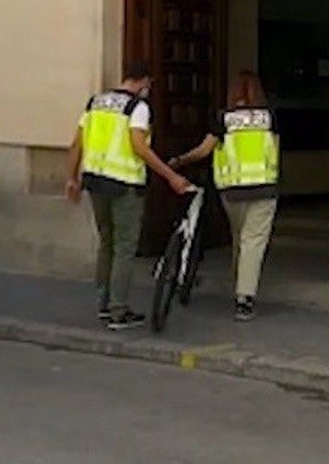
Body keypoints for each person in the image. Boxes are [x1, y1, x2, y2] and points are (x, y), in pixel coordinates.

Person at [65, 61, 193, 330]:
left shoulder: (95, 102)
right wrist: (170, 176)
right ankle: (118, 310)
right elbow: (138, 146)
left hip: (95, 180)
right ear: (144, 81)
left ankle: (103, 302)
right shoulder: (138, 107)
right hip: (124, 185)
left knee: (107, 242)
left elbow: (76, 143)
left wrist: (71, 178)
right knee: (124, 247)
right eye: (149, 84)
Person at [170, 71, 279, 322]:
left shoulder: (224, 119)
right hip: (264, 187)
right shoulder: (269, 117)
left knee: (240, 239)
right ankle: (244, 299)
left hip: (232, 190)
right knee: (253, 242)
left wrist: (179, 160)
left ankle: (241, 287)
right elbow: (275, 149)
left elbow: (204, 151)